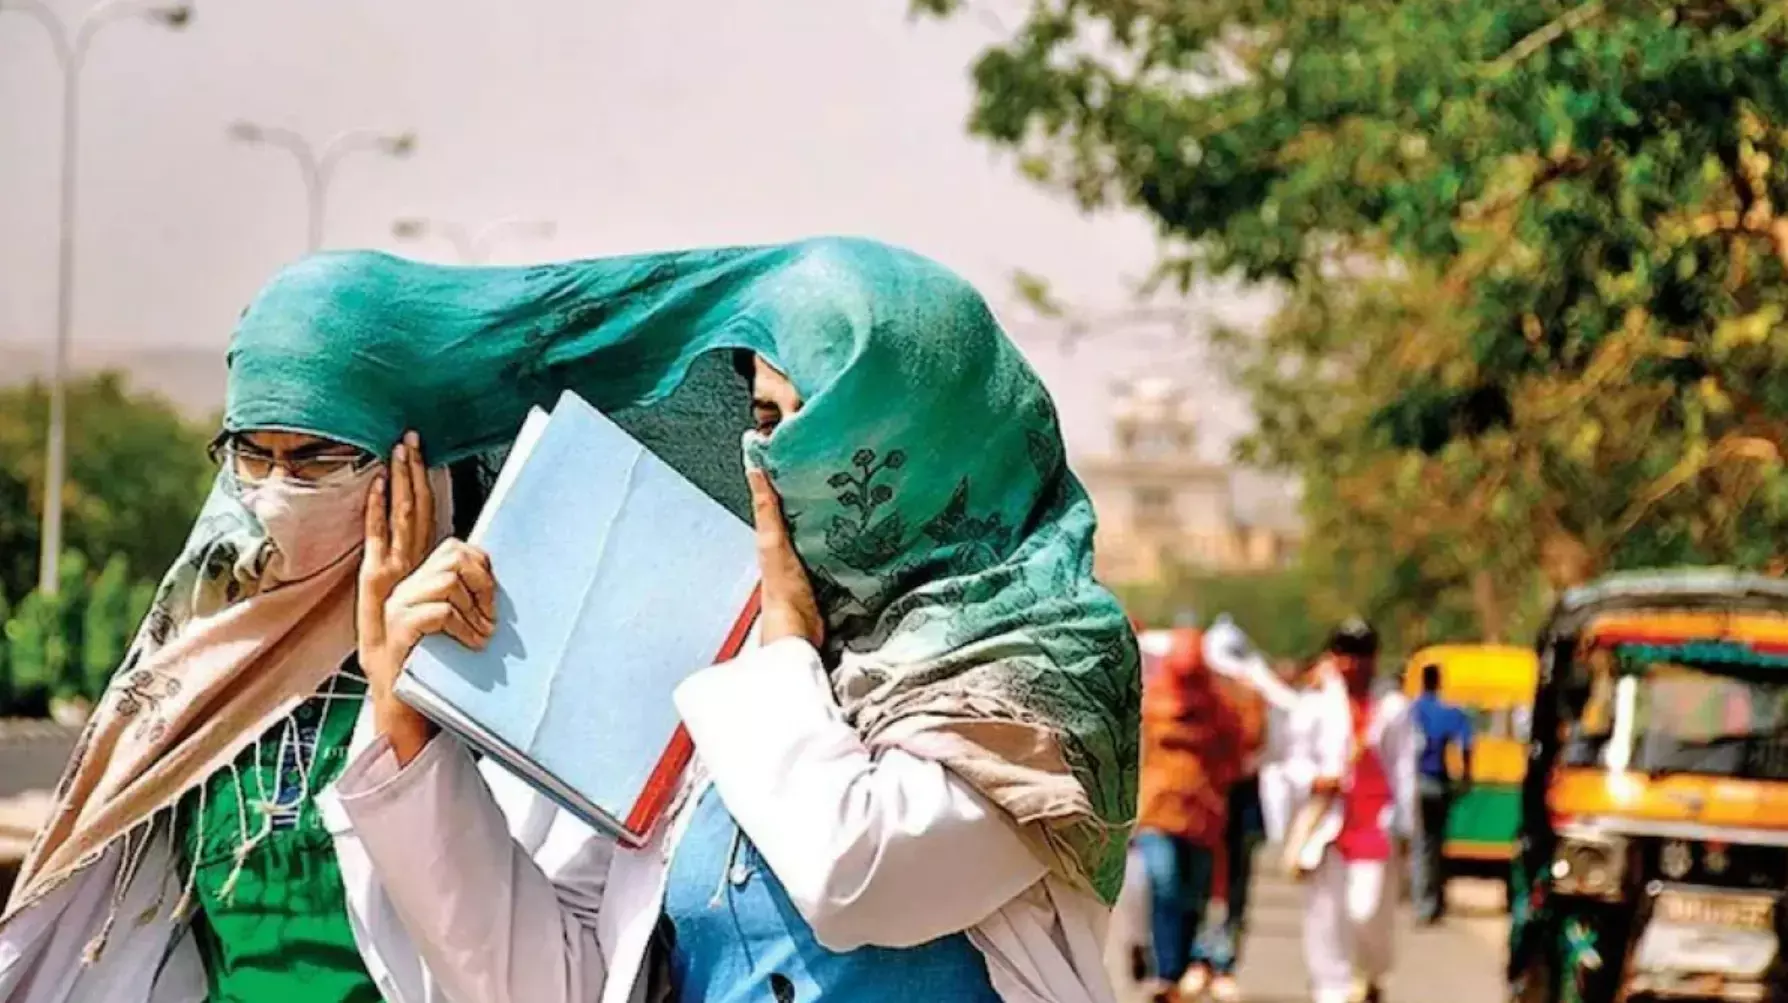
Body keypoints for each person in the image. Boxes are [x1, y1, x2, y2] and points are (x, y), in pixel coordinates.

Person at [0, 238, 1141, 1003]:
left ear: (922, 442)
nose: (765, 465)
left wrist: (783, 650)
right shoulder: (735, 667)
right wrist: (409, 729)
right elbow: (545, 976)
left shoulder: (1036, 684)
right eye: (756, 418)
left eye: (804, 428)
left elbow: (860, 872)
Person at [1285, 620, 1418, 1003]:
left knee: (1366, 910)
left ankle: (1369, 974)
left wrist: (1406, 828)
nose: (1352, 663)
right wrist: (1314, 780)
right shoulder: (1313, 706)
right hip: (1328, 823)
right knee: (1325, 913)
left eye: (1361, 654)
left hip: (1375, 823)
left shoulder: (1393, 708)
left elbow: (1404, 769)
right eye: (1345, 653)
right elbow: (1293, 763)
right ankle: (1330, 987)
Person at [1187, 616, 1300, 1003]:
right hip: (1203, 797)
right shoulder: (1197, 694)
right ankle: (1197, 960)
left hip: (1241, 796)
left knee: (1234, 883)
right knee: (1200, 882)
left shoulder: (1256, 696)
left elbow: (1267, 746)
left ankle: (1224, 962)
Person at [1132, 626, 1247, 1002]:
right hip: (1158, 814)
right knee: (1163, 885)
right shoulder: (1148, 704)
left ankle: (1182, 968)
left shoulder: (1221, 707)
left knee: (1194, 896)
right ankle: (1166, 970)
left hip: (1203, 816)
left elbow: (1239, 752)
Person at [1408, 663, 1474, 924]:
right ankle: (1435, 902)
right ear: (1439, 682)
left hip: (1415, 783)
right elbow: (1466, 743)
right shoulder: (1450, 712)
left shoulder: (1411, 711)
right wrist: (1467, 775)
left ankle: (1422, 904)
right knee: (1438, 845)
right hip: (1439, 784)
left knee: (1420, 845)